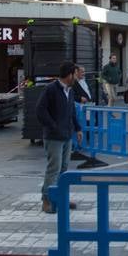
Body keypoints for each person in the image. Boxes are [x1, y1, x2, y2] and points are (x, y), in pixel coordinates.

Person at [35, 62, 82, 214]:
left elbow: (72, 111)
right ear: (69, 75)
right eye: (75, 74)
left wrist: (78, 128)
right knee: (53, 169)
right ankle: (47, 200)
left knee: (64, 169)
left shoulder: (70, 90)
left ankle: (61, 198)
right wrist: (53, 125)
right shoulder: (51, 89)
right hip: (54, 137)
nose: (77, 77)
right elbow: (40, 110)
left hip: (67, 135)